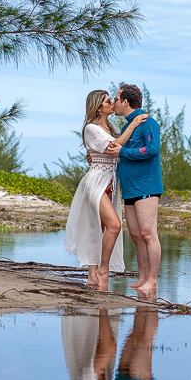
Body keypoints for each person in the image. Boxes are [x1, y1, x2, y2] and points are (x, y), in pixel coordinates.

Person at [63, 90, 149, 290]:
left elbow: (117, 151)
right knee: (115, 225)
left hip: (110, 181)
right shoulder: (91, 128)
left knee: (98, 228)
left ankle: (93, 276)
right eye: (108, 101)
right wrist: (134, 123)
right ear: (98, 107)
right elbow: (113, 147)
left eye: (112, 99)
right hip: (96, 182)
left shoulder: (108, 127)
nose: (113, 103)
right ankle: (103, 269)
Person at [106, 83, 162, 297]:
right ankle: (142, 278)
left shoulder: (148, 122)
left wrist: (124, 153)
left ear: (125, 102)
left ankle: (152, 282)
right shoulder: (128, 126)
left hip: (146, 186)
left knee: (149, 234)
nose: (114, 103)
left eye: (116, 99)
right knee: (137, 236)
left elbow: (152, 149)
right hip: (130, 189)